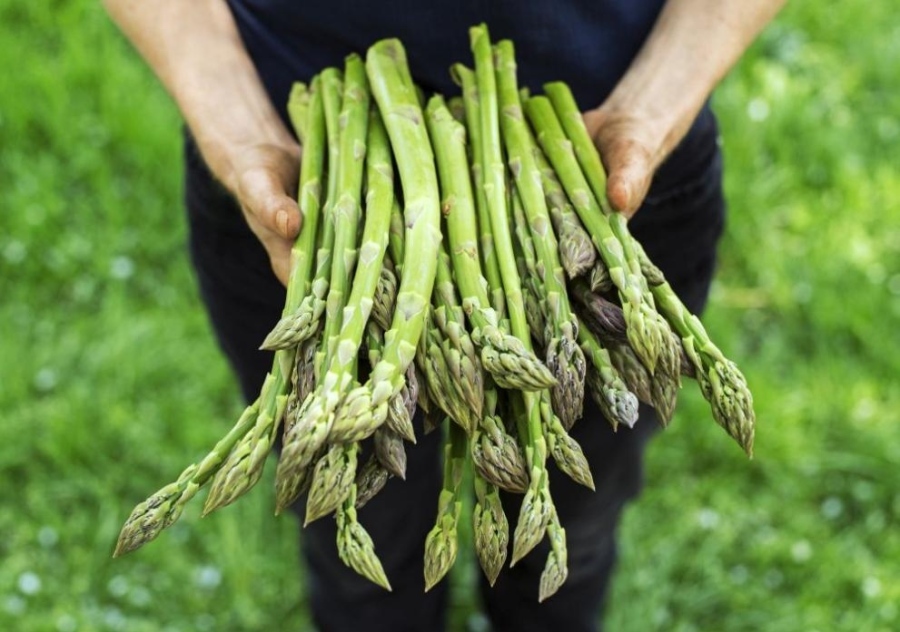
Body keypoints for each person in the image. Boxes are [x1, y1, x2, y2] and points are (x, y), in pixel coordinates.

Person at [103, 1, 785, 630]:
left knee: (570, 540)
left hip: (597, 188)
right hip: (304, 187)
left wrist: (655, 104)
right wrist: (233, 121)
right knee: (363, 575)